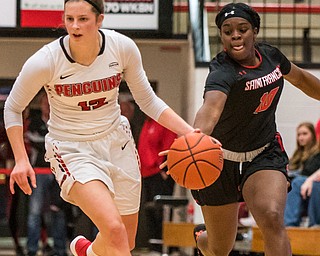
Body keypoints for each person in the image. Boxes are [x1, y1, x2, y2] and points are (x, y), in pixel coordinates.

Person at [3, 1, 194, 256]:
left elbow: (147, 100)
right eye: (69, 19)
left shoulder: (122, 48)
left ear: (100, 19)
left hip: (118, 142)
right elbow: (12, 108)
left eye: (83, 19)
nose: (74, 26)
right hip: (72, 147)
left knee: (125, 242)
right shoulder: (46, 61)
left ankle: (89, 252)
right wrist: (20, 159)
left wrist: (188, 132)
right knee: (114, 231)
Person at [185, 3, 320, 256]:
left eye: (242, 29)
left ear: (254, 31)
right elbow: (210, 110)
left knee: (271, 218)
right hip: (219, 160)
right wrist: (194, 140)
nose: (235, 35)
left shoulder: (272, 57)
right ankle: (204, 239)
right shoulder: (222, 72)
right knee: (219, 249)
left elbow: (301, 79)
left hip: (263, 153)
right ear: (222, 37)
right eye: (227, 31)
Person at [25, 91, 68, 256]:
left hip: (59, 173)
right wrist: (51, 144)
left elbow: (65, 143)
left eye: (50, 102)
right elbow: (32, 141)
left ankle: (60, 249)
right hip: (39, 172)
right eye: (45, 102)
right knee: (35, 212)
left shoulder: (62, 122)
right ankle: (32, 249)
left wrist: (47, 143)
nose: (48, 106)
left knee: (58, 210)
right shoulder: (34, 122)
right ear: (41, 104)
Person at [137, 116, 177, 252]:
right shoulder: (147, 123)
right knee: (150, 211)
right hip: (146, 174)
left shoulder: (163, 122)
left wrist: (165, 170)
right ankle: (154, 247)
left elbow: (170, 146)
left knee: (162, 211)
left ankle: (164, 248)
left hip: (159, 174)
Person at [284, 122, 320, 227]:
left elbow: (309, 172)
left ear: (312, 135)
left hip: (308, 182)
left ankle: (290, 224)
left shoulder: (317, 153)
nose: (301, 137)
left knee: (296, 182)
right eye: (299, 135)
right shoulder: (297, 154)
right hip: (299, 181)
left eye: (304, 134)